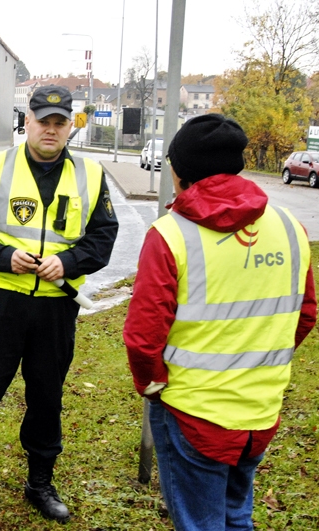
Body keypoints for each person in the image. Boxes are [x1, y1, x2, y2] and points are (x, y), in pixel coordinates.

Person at [124, 114, 316, 531]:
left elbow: (143, 338)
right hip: (260, 412)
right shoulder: (290, 228)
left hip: (193, 415)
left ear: (176, 171)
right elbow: (305, 316)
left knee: (200, 522)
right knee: (235, 515)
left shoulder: (170, 235)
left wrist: (153, 386)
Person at [0, 84, 118, 522]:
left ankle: (40, 484)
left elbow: (102, 238)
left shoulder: (91, 176)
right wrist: (5, 257)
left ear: (70, 127)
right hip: (0, 303)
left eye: (60, 123)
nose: (51, 130)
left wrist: (68, 262)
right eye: (43, 121)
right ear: (28, 122)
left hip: (55, 307)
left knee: (46, 397)